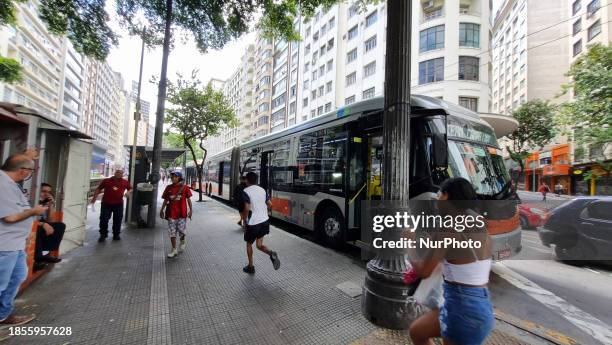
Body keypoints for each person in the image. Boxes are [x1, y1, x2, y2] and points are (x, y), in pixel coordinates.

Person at [408, 178, 494, 345]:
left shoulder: (448, 228)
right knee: (417, 332)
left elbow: (423, 271)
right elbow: (464, 257)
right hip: (477, 301)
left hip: (463, 307)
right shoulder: (477, 221)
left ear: (446, 196)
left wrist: (409, 242)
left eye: (439, 194)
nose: (436, 200)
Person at [0, 154, 45, 329]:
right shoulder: (3, 185)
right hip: (5, 245)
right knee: (2, 282)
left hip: (15, 243)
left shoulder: (9, 183)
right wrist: (34, 211)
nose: (30, 174)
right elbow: (10, 217)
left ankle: (3, 314)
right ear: (23, 171)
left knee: (18, 276)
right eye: (30, 170)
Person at [240, 172, 280, 274]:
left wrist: (244, 221)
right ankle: (271, 253)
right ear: (256, 180)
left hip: (253, 223)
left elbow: (247, 208)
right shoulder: (262, 190)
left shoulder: (246, 191)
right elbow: (270, 205)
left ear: (247, 180)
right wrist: (264, 212)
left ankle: (250, 267)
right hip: (264, 222)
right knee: (259, 245)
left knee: (249, 244)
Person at [90, 168, 132, 242]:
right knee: (103, 219)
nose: (119, 174)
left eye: (120, 173)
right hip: (106, 204)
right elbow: (98, 189)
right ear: (115, 173)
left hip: (118, 204)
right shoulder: (106, 181)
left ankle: (116, 234)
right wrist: (94, 198)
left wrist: (128, 192)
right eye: (117, 172)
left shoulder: (125, 182)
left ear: (123, 174)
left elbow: (131, 189)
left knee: (118, 220)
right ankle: (103, 235)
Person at [33, 183, 66, 271]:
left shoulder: (45, 203)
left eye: (49, 192)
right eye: (43, 191)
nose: (46, 194)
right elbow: (30, 220)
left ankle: (46, 253)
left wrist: (51, 205)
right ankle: (38, 258)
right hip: (32, 225)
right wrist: (43, 224)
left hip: (42, 224)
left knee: (60, 226)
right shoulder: (33, 201)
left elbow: (51, 220)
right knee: (39, 229)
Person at [160, 172, 193, 258]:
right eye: (172, 177)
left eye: (175, 177)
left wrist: (190, 211)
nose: (173, 178)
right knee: (172, 232)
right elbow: (165, 200)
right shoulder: (168, 188)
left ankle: (182, 240)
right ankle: (174, 249)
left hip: (182, 214)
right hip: (171, 214)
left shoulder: (185, 188)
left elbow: (189, 200)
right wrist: (161, 210)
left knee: (181, 231)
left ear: (179, 178)